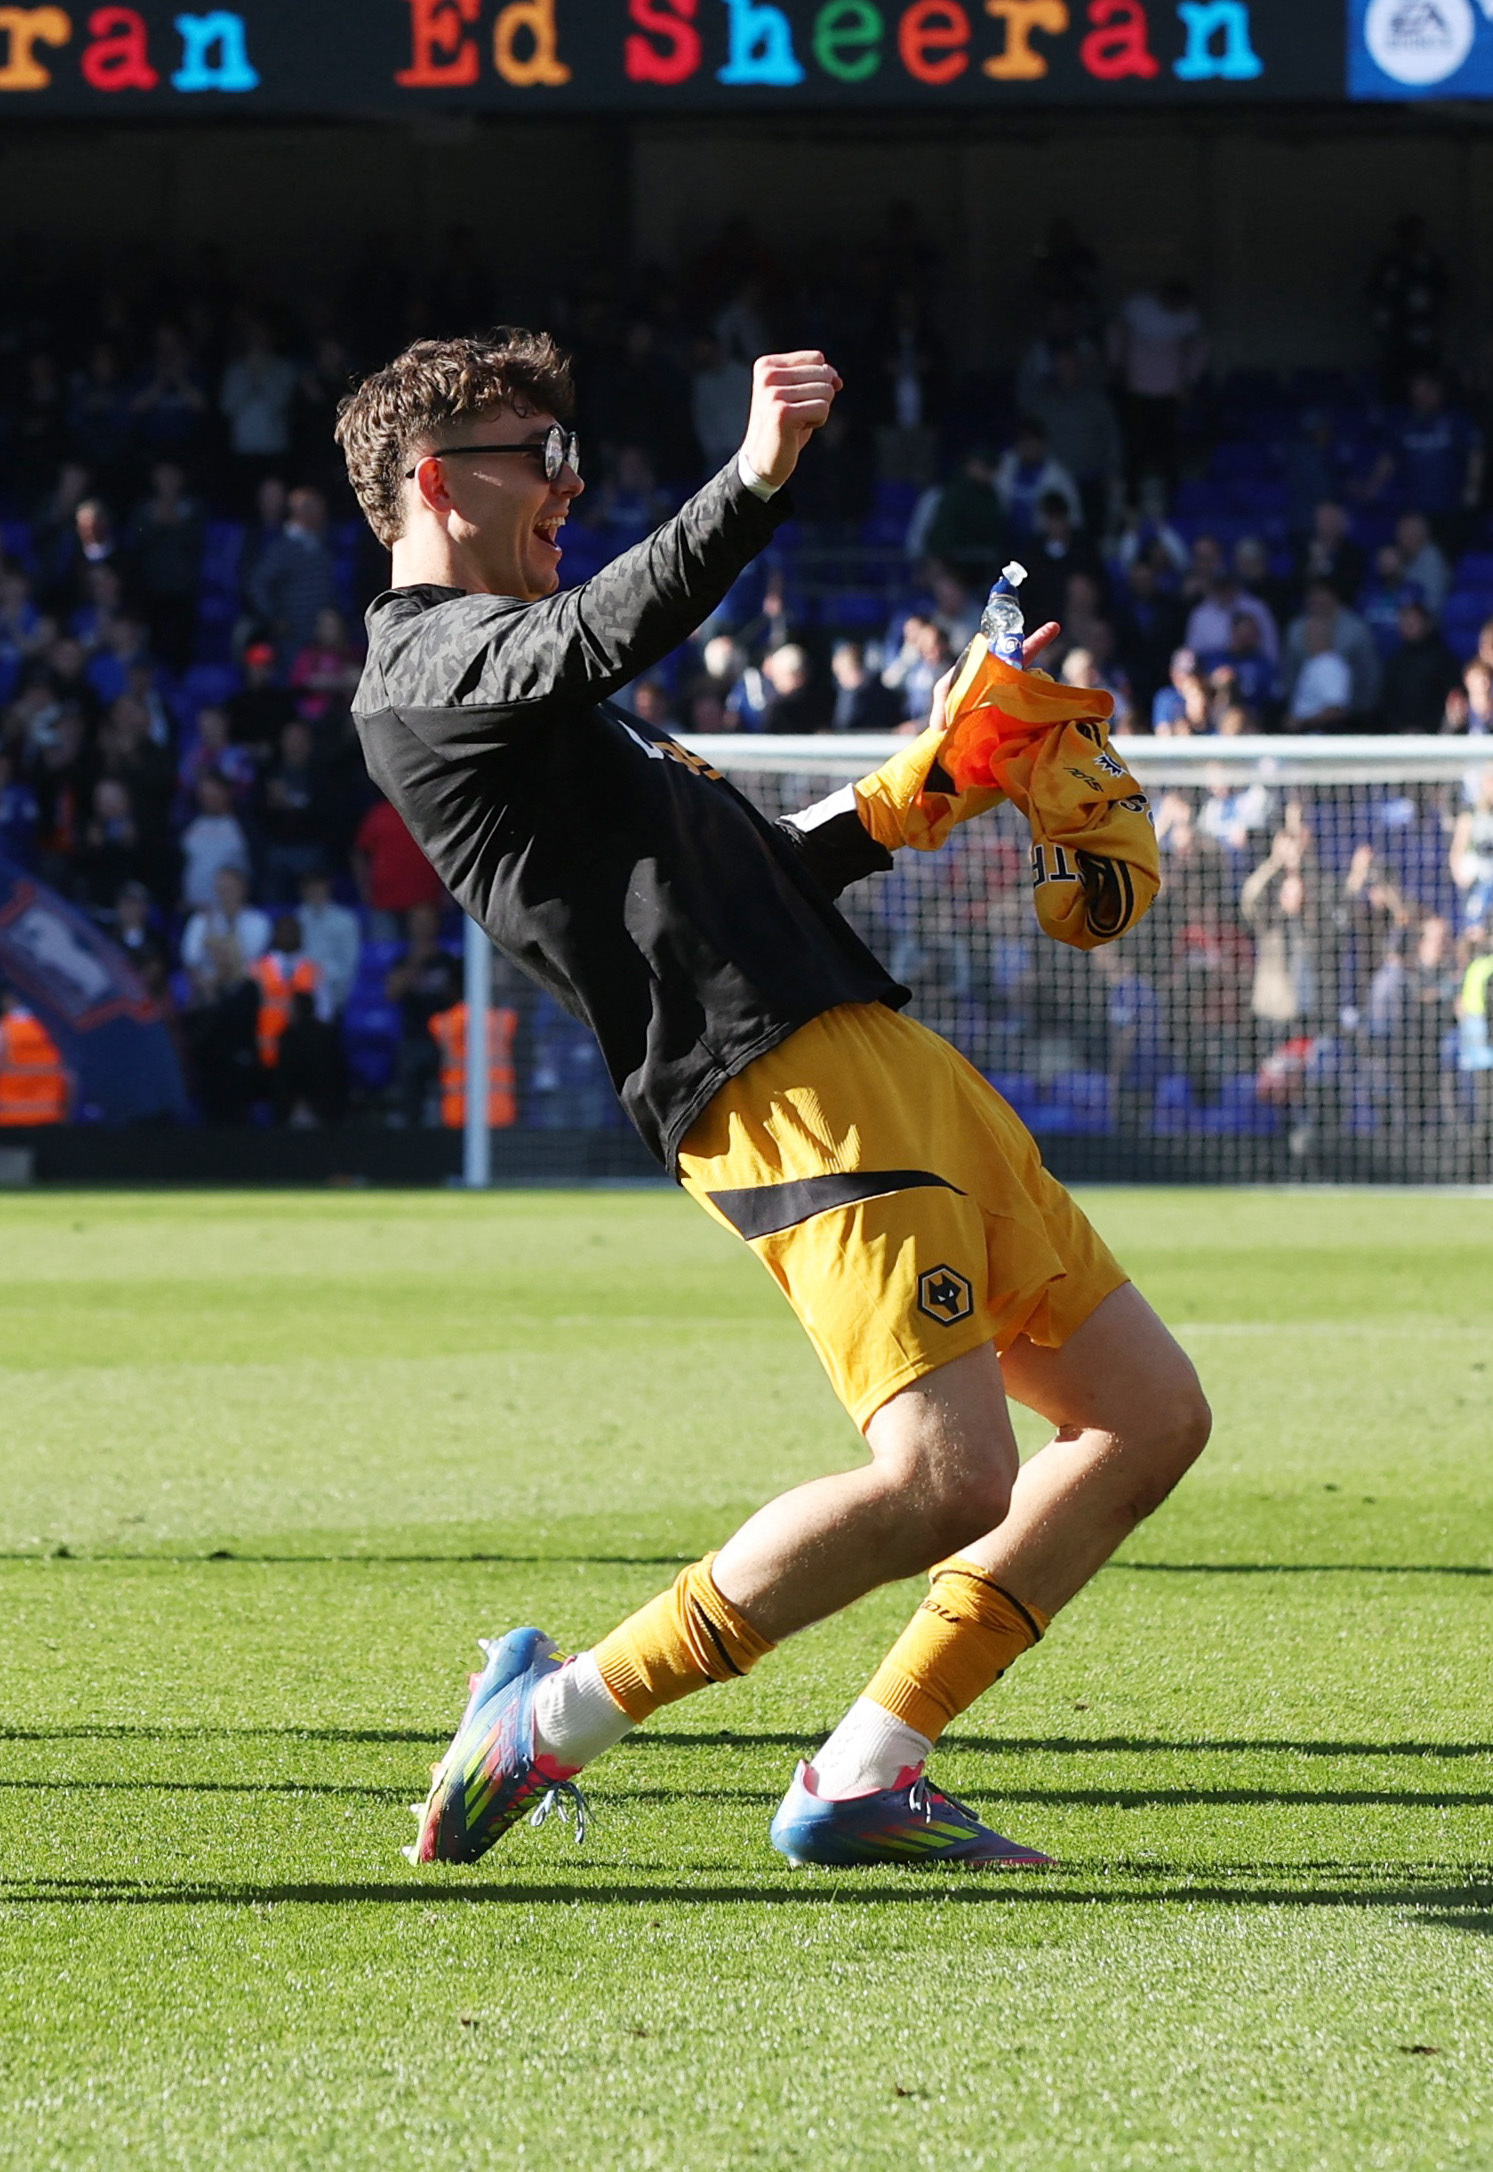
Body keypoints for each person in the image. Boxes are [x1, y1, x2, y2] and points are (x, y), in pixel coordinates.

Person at [341, 329, 1209, 1870]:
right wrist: (751, 479)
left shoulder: (542, 693)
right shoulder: (427, 673)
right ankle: (551, 1721)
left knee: (1146, 1420)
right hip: (778, 1086)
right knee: (945, 1478)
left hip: (879, 1056)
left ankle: (867, 1766)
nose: (568, 485)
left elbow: (749, 873)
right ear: (435, 483)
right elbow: (596, 633)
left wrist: (935, 775)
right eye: (540, 458)